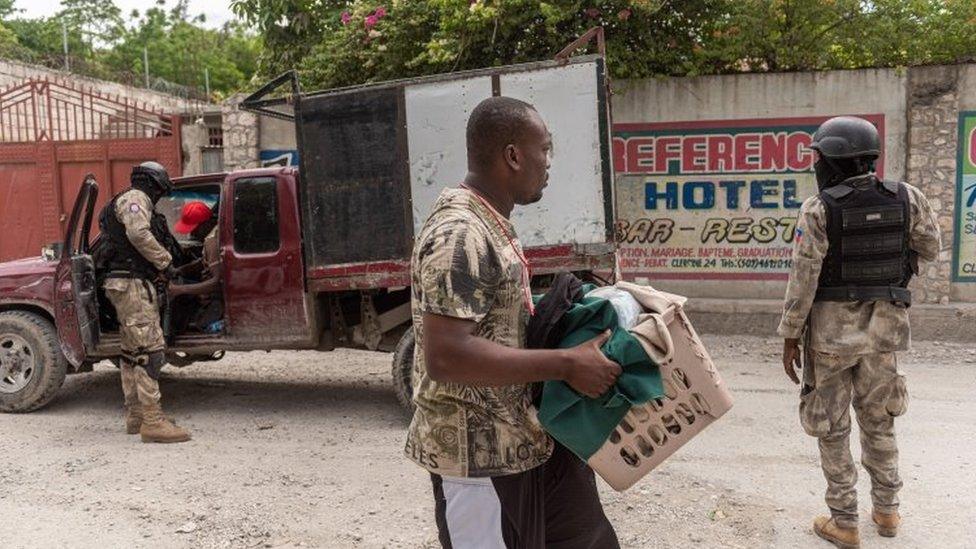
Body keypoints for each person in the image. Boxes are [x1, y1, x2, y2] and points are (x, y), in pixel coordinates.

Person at [405, 96, 622, 548]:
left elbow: (491, 319)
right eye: (544, 149)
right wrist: (566, 364)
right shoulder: (460, 233)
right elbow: (447, 356)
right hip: (477, 463)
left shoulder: (488, 224)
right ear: (513, 155)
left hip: (517, 444)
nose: (548, 162)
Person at [778, 116, 941, 548]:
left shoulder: (818, 208)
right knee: (880, 421)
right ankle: (887, 513)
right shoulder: (909, 197)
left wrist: (790, 335)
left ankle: (845, 521)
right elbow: (930, 247)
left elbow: (803, 277)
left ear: (832, 160)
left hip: (831, 339)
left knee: (832, 427)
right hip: (885, 333)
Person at [96, 161, 191, 444]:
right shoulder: (136, 199)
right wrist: (165, 262)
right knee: (150, 350)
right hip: (133, 285)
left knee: (132, 351)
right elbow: (138, 234)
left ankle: (136, 415)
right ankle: (152, 421)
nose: (160, 196)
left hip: (124, 284)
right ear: (152, 184)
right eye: (161, 190)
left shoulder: (125, 200)